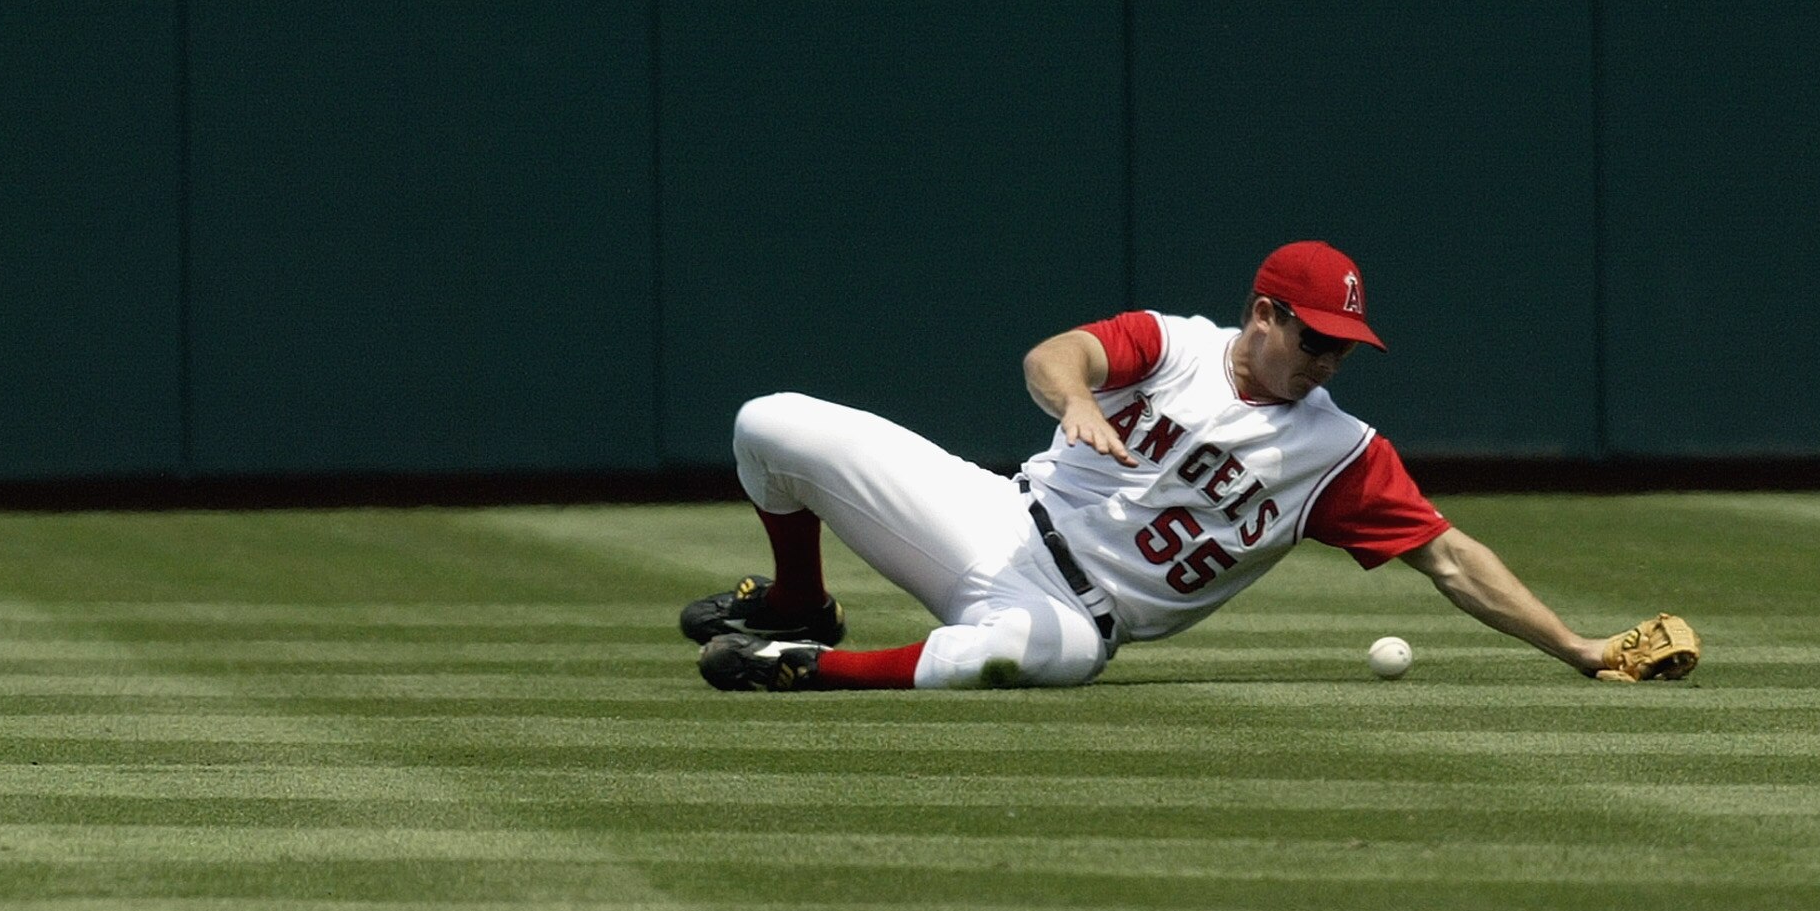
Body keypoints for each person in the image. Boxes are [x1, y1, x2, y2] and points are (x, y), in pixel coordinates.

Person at [683, 241, 1695, 690]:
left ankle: (811, 674)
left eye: (1342, 345)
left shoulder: (1336, 453)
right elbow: (1054, 356)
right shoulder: (1172, 345)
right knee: (770, 423)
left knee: (1037, 656)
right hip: (992, 522)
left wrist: (1579, 647)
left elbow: (1450, 559)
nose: (1328, 358)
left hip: (1079, 616)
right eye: (1314, 337)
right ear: (1262, 314)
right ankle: (798, 604)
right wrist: (1078, 400)